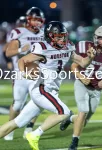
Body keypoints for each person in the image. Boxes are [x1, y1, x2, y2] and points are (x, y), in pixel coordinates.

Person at [0, 21, 96, 150]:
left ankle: (33, 134)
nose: (62, 38)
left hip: (50, 91)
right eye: (58, 36)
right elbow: (23, 60)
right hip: (42, 89)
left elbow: (83, 63)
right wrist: (25, 74)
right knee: (64, 113)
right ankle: (35, 134)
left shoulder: (68, 47)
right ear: (49, 36)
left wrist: (89, 58)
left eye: (63, 35)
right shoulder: (43, 48)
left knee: (17, 122)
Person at [60, 26, 102, 150]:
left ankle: (70, 118)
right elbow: (74, 66)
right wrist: (81, 76)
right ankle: (74, 142)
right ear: (95, 38)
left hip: (97, 88)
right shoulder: (85, 47)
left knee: (86, 118)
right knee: (83, 111)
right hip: (81, 84)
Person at [4, 7, 45, 140]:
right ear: (28, 19)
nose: (37, 23)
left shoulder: (44, 33)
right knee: (17, 105)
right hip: (21, 73)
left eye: (39, 20)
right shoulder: (18, 32)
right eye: (34, 19)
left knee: (38, 101)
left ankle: (29, 128)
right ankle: (9, 130)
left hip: (37, 73)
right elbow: (8, 53)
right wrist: (21, 49)